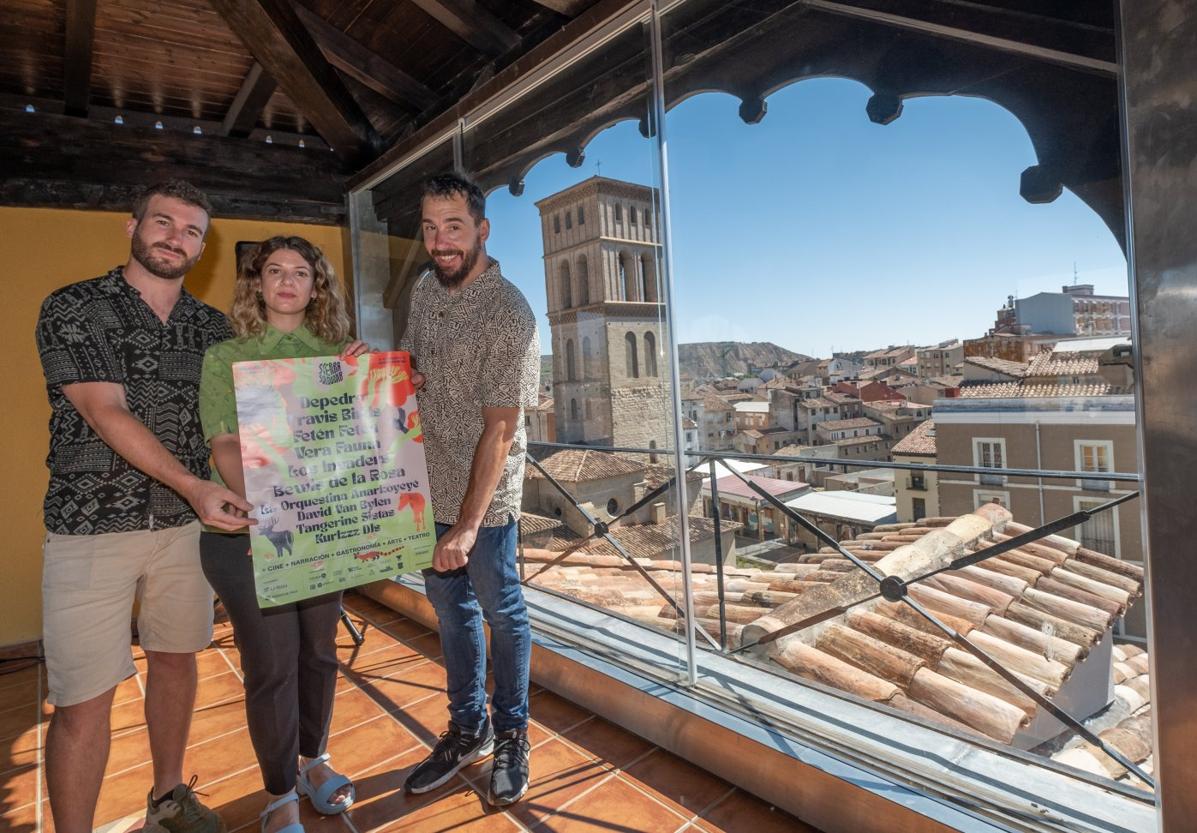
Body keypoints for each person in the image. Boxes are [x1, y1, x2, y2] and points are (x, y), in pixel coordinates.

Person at [35, 180, 249, 833]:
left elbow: (234, 428)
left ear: (201, 246)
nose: (174, 237)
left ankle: (166, 798)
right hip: (90, 525)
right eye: (163, 221)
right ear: (132, 226)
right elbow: (104, 411)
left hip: (189, 530)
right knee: (81, 700)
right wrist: (196, 485)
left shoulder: (214, 328)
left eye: (190, 230)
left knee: (179, 659)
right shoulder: (75, 306)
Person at [198, 236, 365, 832]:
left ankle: (313, 761)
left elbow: (370, 441)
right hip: (250, 531)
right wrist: (266, 513)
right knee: (272, 664)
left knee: (319, 653)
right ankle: (277, 794)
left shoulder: (339, 355)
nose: (288, 282)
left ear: (317, 286)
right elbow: (224, 444)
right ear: (258, 283)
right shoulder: (227, 357)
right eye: (275, 271)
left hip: (324, 531)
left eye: (302, 272)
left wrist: (375, 381)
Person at [400, 173, 540, 806]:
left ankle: (513, 733)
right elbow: (410, 364)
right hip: (429, 484)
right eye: (430, 228)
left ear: (482, 229)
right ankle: (467, 728)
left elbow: (502, 430)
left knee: (501, 613)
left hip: (485, 500)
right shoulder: (425, 289)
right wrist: (385, 369)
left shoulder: (509, 312)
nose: (440, 241)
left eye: (453, 227)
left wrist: (466, 525)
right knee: (451, 613)